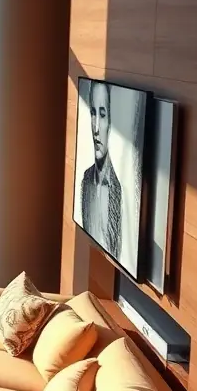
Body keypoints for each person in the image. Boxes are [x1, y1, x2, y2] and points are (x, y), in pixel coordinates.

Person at [81, 81, 121, 258]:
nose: (96, 128)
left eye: (103, 115)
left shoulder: (118, 191)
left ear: (111, 122)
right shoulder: (86, 181)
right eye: (92, 113)